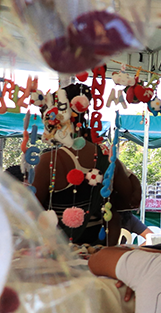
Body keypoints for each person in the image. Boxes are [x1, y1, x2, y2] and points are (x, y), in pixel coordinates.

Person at [32, 84, 142, 246]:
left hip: (59, 252)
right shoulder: (106, 157)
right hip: (98, 250)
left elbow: (31, 210)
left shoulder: (50, 161)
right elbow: (128, 201)